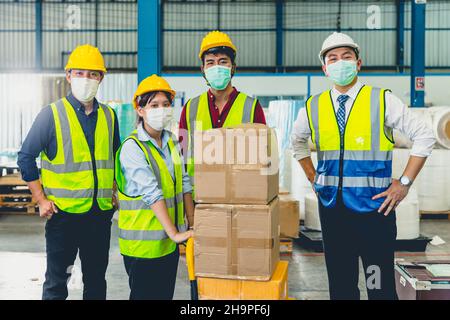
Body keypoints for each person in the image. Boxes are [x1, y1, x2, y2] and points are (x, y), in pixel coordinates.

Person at [291, 32, 436, 300]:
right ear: (324, 68)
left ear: (358, 63)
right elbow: (296, 142)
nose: (339, 63)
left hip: (374, 214)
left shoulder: (382, 100)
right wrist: (314, 178)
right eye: (332, 58)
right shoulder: (313, 107)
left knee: (378, 286)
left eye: (346, 57)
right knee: (342, 287)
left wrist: (403, 183)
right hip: (334, 213)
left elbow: (425, 136)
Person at [17, 44, 120, 300]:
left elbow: (115, 158)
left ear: (101, 79)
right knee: (56, 284)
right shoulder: (50, 115)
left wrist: (115, 190)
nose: (86, 79)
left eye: (93, 74)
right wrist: (41, 200)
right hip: (63, 218)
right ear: (69, 75)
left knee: (96, 282)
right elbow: (26, 157)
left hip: (99, 215)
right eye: (80, 73)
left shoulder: (109, 116)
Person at [116, 74, 194, 300]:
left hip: (167, 245)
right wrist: (175, 233)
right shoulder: (133, 148)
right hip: (143, 246)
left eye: (166, 104)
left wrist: (193, 222)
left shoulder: (172, 141)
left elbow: (184, 183)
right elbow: (151, 193)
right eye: (154, 105)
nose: (162, 109)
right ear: (140, 110)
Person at [178, 31, 267, 198]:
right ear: (202, 69)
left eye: (223, 62)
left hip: (240, 197)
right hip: (200, 199)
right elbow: (181, 157)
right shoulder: (190, 108)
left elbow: (262, 157)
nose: (216, 67)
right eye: (210, 62)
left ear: (233, 67)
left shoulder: (251, 107)